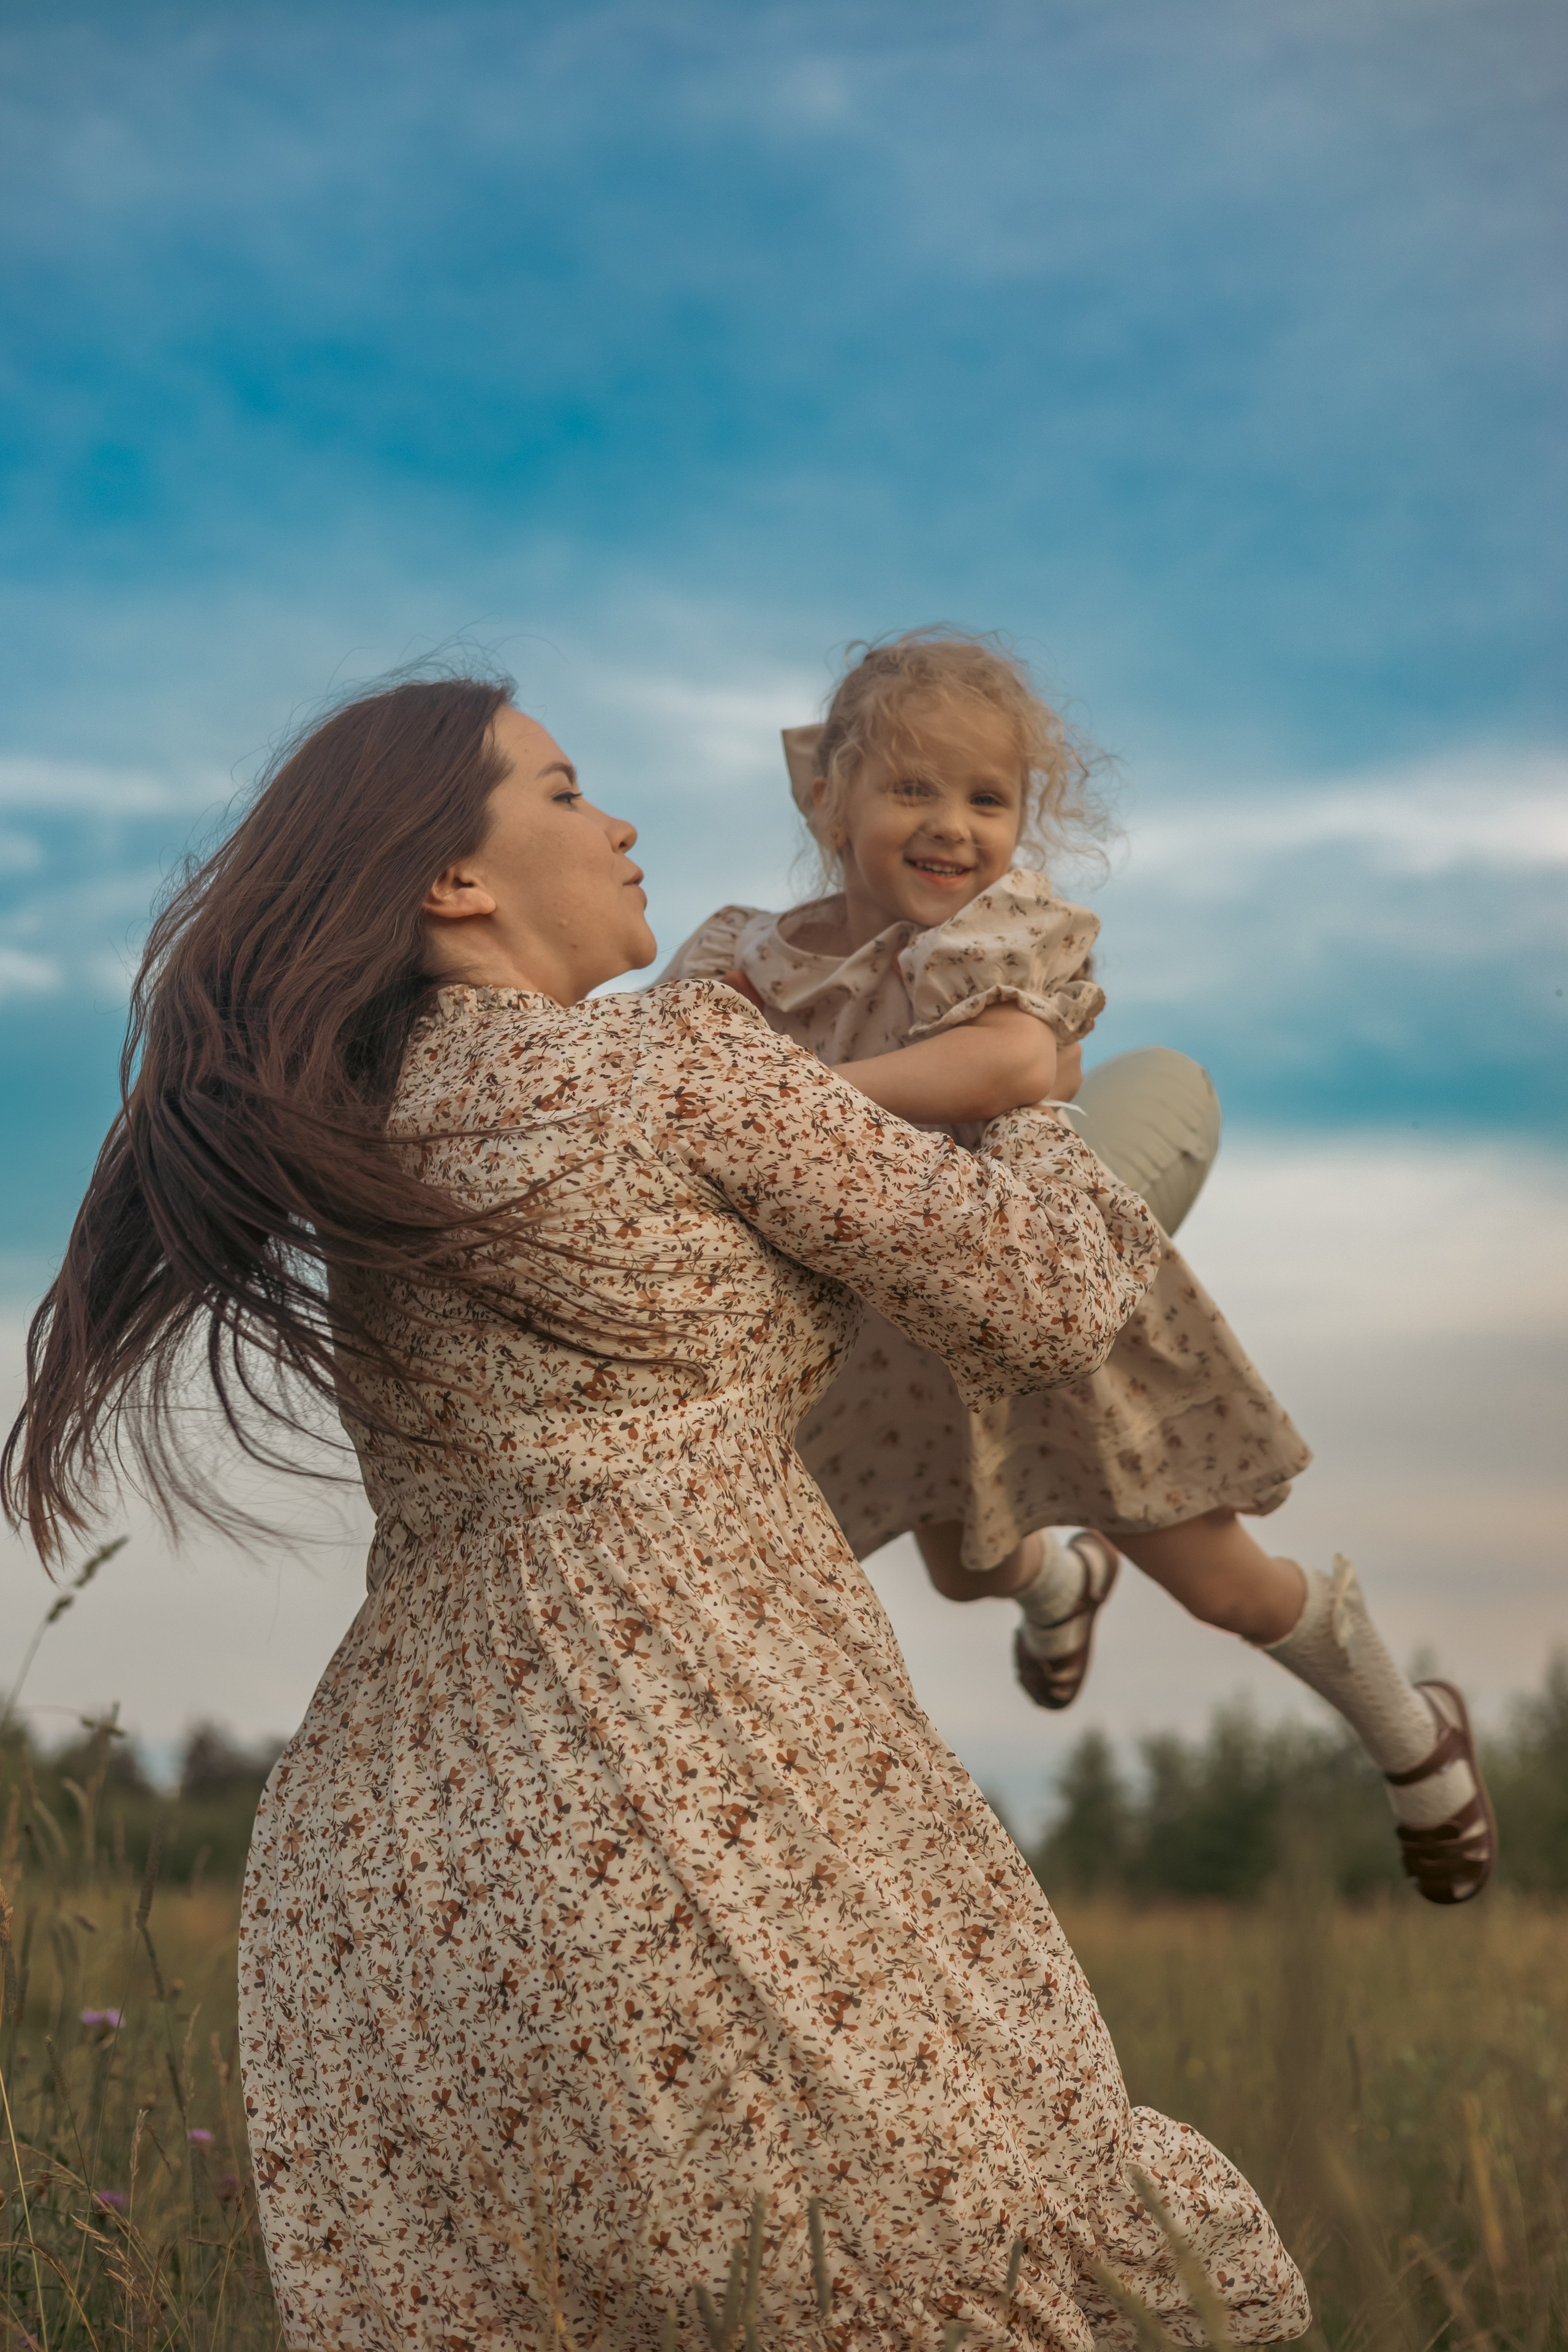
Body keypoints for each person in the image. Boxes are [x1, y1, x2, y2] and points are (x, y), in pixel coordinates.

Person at [2, 676, 1311, 2348]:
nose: (618, 823)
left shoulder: (367, 1135)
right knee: (986, 2276)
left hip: (391, 1857)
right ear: (453, 883)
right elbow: (1045, 1301)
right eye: (562, 792)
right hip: (700, 1760)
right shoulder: (681, 1064)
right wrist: (1041, 1084)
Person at [663, 629, 1494, 1908]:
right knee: (963, 1566)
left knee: (1219, 1585)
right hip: (879, 1342)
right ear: (827, 798)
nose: (951, 827)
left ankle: (1411, 1731)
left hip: (1039, 1292)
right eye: (911, 790)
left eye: (985, 799)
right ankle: (1061, 1580)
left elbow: (1003, 1066)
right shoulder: (743, 962)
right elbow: (669, 1091)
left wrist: (783, 1109)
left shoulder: (1002, 932)